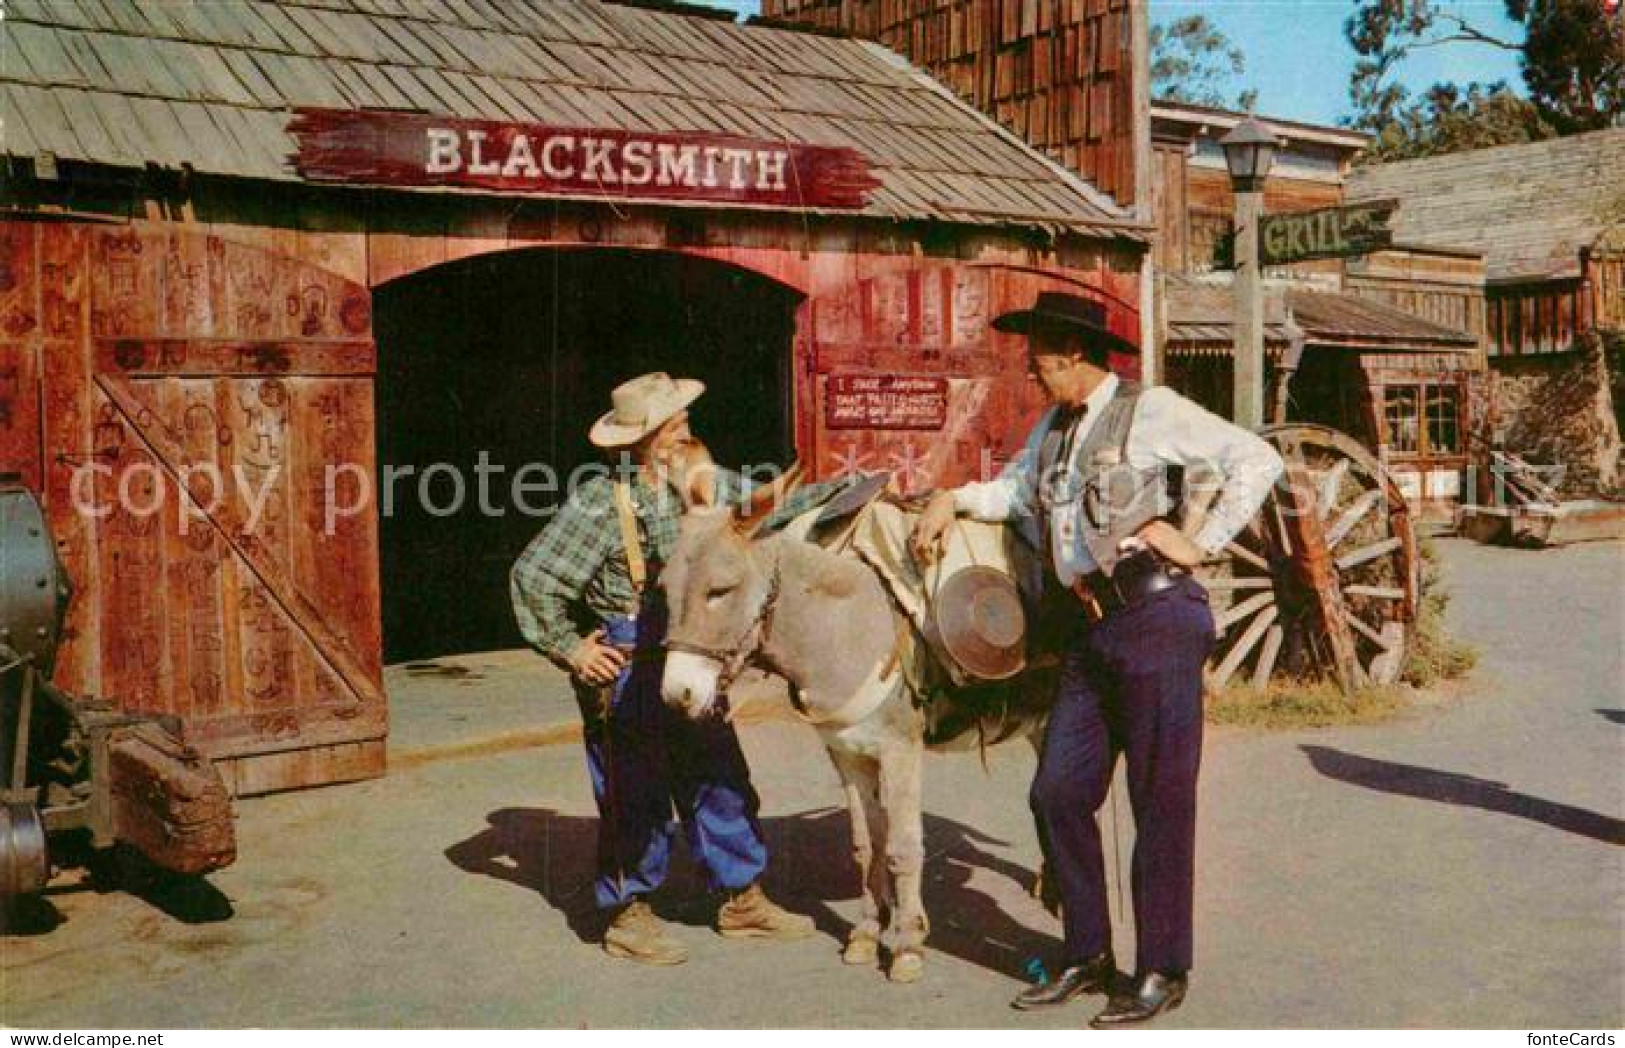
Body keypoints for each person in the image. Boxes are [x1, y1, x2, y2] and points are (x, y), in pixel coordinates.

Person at [910, 293, 1283, 1026]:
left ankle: (1159, 969)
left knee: (1158, 803)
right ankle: (1085, 952)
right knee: (1056, 791)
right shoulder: (1052, 425)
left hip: (1155, 621)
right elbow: (1014, 493)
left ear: (1073, 355)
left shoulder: (1150, 410)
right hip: (1087, 630)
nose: (1030, 372)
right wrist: (950, 498)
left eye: (1038, 358)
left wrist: (1200, 541)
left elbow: (1256, 458)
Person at [511, 371, 837, 966]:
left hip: (692, 650)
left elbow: (768, 503)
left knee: (719, 776)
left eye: (683, 417)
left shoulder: (700, 486)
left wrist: (850, 493)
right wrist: (572, 647)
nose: (687, 426)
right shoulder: (598, 503)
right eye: (675, 421)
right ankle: (628, 914)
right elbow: (533, 578)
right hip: (630, 656)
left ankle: (741, 899)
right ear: (648, 440)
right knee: (634, 793)